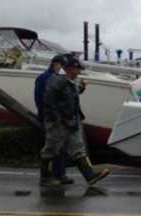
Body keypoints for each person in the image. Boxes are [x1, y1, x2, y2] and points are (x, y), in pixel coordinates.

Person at [39, 55, 111, 187]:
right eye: (77, 69)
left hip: (71, 121)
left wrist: (81, 88)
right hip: (59, 122)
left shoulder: (68, 81)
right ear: (70, 69)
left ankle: (90, 176)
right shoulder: (58, 80)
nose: (79, 72)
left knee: (77, 148)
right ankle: (45, 177)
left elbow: (71, 95)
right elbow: (49, 101)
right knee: (52, 149)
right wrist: (56, 119)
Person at [34, 54, 72, 184]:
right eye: (63, 65)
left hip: (61, 118)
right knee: (52, 146)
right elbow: (40, 99)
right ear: (55, 64)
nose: (64, 68)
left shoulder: (59, 78)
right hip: (51, 117)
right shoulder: (44, 78)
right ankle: (46, 176)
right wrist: (46, 115)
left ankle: (60, 174)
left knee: (61, 146)